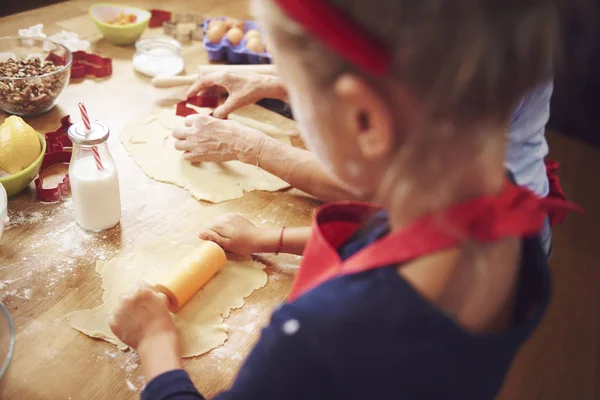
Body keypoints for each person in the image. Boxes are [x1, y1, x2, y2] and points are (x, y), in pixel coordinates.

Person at [109, 0, 577, 399]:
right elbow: (391, 236)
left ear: (365, 122)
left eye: (296, 94)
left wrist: (155, 343)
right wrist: (271, 238)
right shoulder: (512, 215)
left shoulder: (316, 341)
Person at [179, 73, 556, 256]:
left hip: (486, 254)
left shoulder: (474, 65)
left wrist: (253, 147)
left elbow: (386, 187)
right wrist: (276, 84)